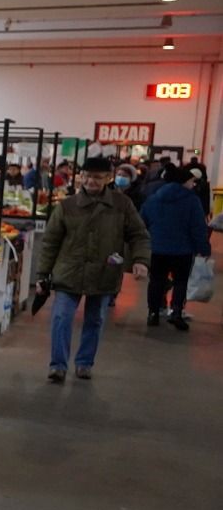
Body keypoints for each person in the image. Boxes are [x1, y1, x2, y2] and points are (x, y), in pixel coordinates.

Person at [36, 156, 150, 382]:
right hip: (69, 271)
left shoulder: (122, 205)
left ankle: (84, 363)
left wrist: (140, 260)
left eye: (97, 177)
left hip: (103, 271)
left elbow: (139, 235)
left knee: (95, 319)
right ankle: (58, 365)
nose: (91, 181)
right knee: (61, 317)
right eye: (87, 176)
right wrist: (42, 274)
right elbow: (50, 242)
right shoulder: (66, 206)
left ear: (108, 178)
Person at [140, 166, 211, 330]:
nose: (193, 184)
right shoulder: (192, 201)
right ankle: (177, 312)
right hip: (183, 250)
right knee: (180, 282)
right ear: (184, 181)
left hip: (157, 248)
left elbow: (142, 221)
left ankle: (153, 312)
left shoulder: (154, 198)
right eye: (191, 181)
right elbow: (198, 227)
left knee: (156, 281)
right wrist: (204, 248)